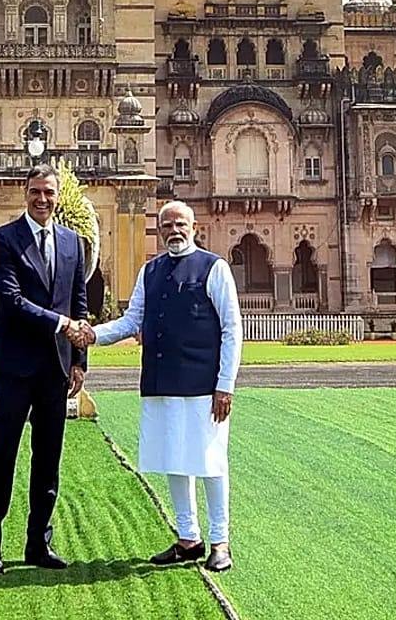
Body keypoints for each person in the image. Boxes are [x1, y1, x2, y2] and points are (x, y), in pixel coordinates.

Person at [70, 200, 243, 572]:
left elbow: (232, 329)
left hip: (204, 385)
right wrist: (92, 335)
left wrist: (225, 385)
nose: (174, 231)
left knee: (211, 463)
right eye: (167, 225)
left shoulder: (214, 267)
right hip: (162, 380)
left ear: (194, 227)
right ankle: (188, 538)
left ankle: (220, 541)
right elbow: (132, 321)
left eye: (180, 224)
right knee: (174, 459)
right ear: (160, 230)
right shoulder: (150, 271)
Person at [0, 164, 90, 577]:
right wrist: (62, 324)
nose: (42, 199)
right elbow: (11, 300)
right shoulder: (3, 239)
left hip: (55, 368)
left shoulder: (72, 243)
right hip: (13, 367)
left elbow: (79, 302)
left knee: (48, 459)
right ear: (25, 194)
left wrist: (79, 361)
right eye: (35, 192)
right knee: (2, 455)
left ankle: (38, 543)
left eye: (49, 192)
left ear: (57, 196)